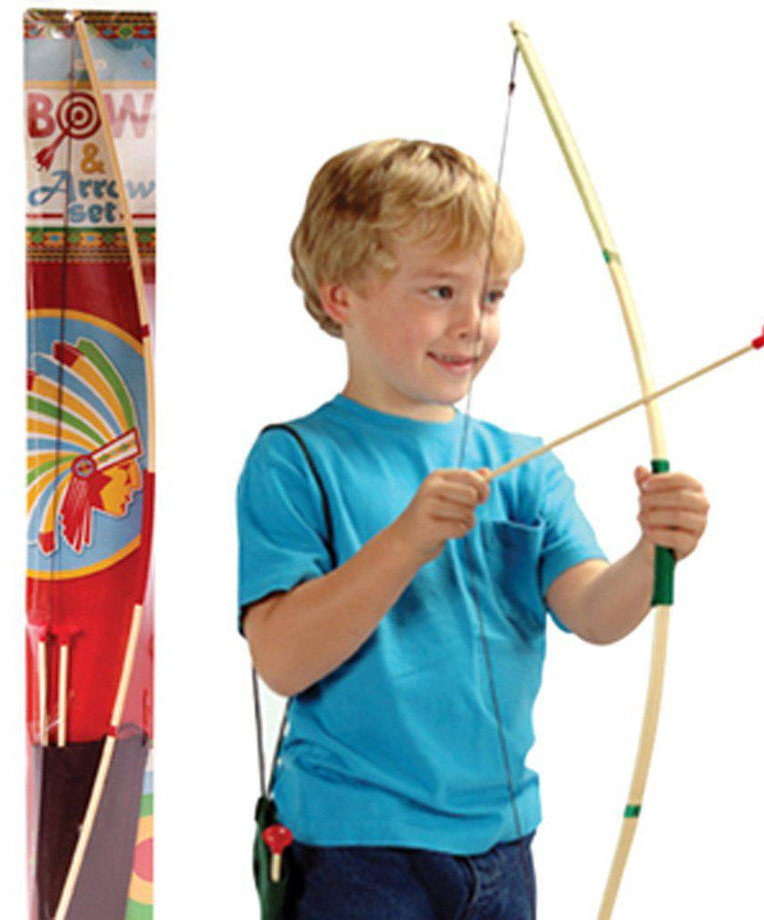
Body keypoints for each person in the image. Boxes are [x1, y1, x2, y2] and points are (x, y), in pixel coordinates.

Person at [237, 139, 709, 919]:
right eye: (440, 290)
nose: (471, 324)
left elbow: (594, 612)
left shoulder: (524, 465)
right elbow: (282, 659)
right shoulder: (296, 459)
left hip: (502, 841)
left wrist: (653, 550)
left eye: (491, 295)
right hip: (354, 847)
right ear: (340, 295)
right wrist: (405, 542)